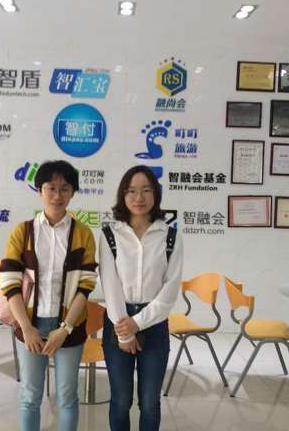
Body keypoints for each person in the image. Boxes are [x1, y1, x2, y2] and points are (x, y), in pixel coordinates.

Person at [0, 160, 98, 431]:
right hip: (30, 324)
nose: (57, 195)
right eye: (50, 188)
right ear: (40, 190)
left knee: (67, 396)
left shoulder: (83, 234)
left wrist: (65, 328)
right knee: (30, 396)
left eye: (65, 188)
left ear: (73, 192)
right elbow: (10, 283)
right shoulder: (23, 232)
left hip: (69, 326)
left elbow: (85, 286)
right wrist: (26, 328)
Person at [99, 165, 183, 431]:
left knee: (149, 402)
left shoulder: (170, 236)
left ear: (155, 194)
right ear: (123, 195)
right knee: (121, 400)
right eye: (132, 191)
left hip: (154, 324)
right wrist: (125, 332)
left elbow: (170, 289)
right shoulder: (110, 234)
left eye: (146, 190)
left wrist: (138, 323)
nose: (139, 197)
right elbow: (110, 284)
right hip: (118, 321)